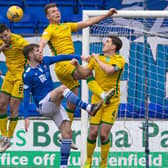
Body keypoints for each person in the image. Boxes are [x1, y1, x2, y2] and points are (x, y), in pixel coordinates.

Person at [22, 43, 103, 168]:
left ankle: (63, 166)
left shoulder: (45, 61)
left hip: (55, 105)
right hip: (43, 105)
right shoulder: (27, 74)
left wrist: (81, 57)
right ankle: (88, 108)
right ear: (30, 55)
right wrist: (26, 117)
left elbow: (61, 57)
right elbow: (26, 96)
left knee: (67, 134)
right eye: (37, 51)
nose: (41, 52)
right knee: (62, 88)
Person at [39, 3, 117, 125]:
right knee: (88, 73)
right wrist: (40, 50)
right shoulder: (49, 30)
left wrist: (107, 14)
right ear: (48, 17)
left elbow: (87, 22)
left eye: (57, 10)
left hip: (67, 65)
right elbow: (43, 41)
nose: (57, 13)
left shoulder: (67, 26)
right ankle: (102, 95)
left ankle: (65, 131)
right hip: (63, 65)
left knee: (72, 102)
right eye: (53, 12)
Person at [71, 35, 125, 168]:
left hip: (112, 101)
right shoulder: (97, 58)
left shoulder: (119, 60)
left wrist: (96, 58)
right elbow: (85, 73)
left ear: (113, 47)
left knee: (103, 134)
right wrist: (77, 65)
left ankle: (103, 163)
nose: (104, 43)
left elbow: (109, 70)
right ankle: (88, 160)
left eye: (107, 41)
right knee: (93, 132)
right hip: (97, 100)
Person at [0, 24, 29, 152]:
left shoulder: (20, 42)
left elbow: (33, 53)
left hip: (20, 77)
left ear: (10, 31)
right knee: (1, 105)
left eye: (6, 35)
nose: (5, 38)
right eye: (2, 37)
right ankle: (4, 136)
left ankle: (9, 138)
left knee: (13, 106)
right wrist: (2, 47)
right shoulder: (2, 42)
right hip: (9, 76)